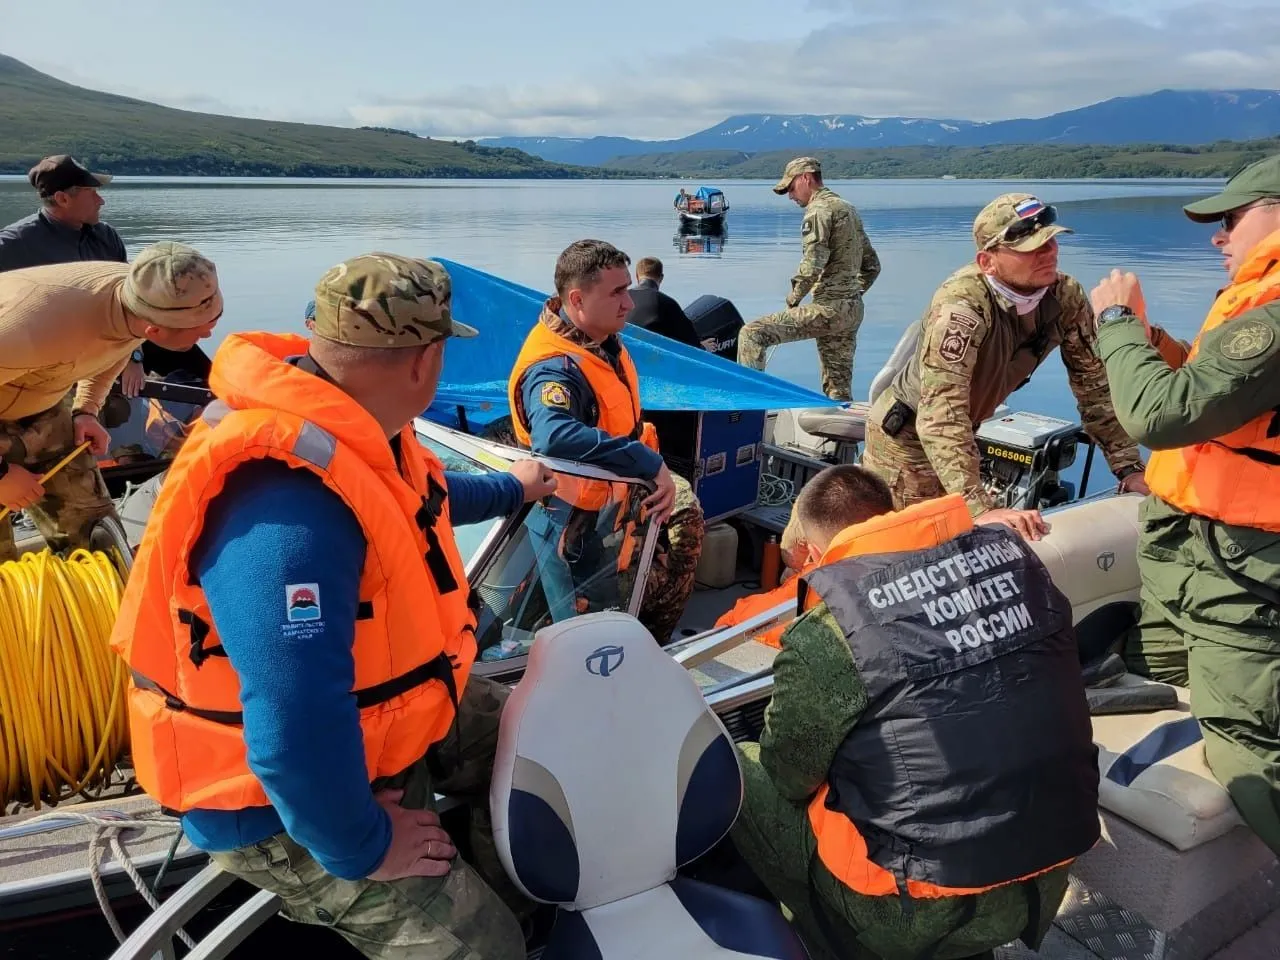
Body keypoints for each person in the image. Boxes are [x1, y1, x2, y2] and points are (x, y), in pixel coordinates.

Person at [110, 253, 558, 960]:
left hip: (373, 716)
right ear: (426, 362)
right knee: (481, 947)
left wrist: (514, 489)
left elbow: (421, 499)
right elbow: (292, 725)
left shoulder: (356, 427)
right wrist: (366, 847)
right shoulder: (289, 511)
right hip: (269, 803)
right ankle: (473, 904)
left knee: (539, 738)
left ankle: (515, 874)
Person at [730, 465, 1100, 960]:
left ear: (817, 555)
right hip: (1044, 876)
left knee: (737, 766)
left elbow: (788, 775)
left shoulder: (832, 629)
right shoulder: (1022, 569)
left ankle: (828, 936)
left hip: (913, 909)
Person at [1090, 152, 1280, 856]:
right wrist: (1151, 343)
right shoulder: (1257, 302)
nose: (1218, 235)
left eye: (1231, 218)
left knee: (1252, 760)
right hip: (1203, 557)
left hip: (1243, 576)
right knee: (1132, 654)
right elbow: (1218, 390)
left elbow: (1160, 418)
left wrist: (1113, 320)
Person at [860, 192, 1148, 541]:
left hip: (964, 433)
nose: (1050, 252)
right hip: (906, 441)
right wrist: (979, 508)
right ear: (988, 261)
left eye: (1052, 241)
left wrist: (1128, 468)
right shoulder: (962, 307)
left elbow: (1094, 386)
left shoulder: (1065, 297)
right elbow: (941, 414)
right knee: (911, 548)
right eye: (1032, 248)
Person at [507, 239, 705, 645]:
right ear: (577, 299)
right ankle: (629, 645)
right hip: (579, 526)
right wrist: (647, 463)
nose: (629, 304)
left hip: (620, 500)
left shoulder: (599, 340)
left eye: (627, 290)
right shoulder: (555, 369)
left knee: (687, 518)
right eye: (616, 293)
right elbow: (553, 435)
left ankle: (649, 642)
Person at [0, 243, 221, 562]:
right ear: (155, 329)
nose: (208, 336)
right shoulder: (28, 328)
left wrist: (86, 409)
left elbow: (117, 344)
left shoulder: (143, 293)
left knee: (95, 535)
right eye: (200, 332)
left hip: (42, 404)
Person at [0, 155, 211, 392]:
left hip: (121, 337)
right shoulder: (14, 243)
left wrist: (134, 358)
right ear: (63, 198)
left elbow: (135, 303)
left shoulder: (106, 236)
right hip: (60, 349)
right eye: (92, 193)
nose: (101, 201)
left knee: (202, 370)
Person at [737, 156, 881, 400]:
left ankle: (746, 408)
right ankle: (843, 437)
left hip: (828, 309)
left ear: (806, 178)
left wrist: (795, 297)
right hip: (852, 310)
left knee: (752, 334)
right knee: (838, 389)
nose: (791, 196)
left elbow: (813, 263)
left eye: (791, 189)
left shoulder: (818, 211)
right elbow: (872, 266)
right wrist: (851, 295)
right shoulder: (848, 209)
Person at [625, 256, 713, 350]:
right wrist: (703, 347)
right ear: (661, 278)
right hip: (652, 356)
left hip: (623, 350)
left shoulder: (622, 297)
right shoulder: (667, 302)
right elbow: (690, 340)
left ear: (636, 276)